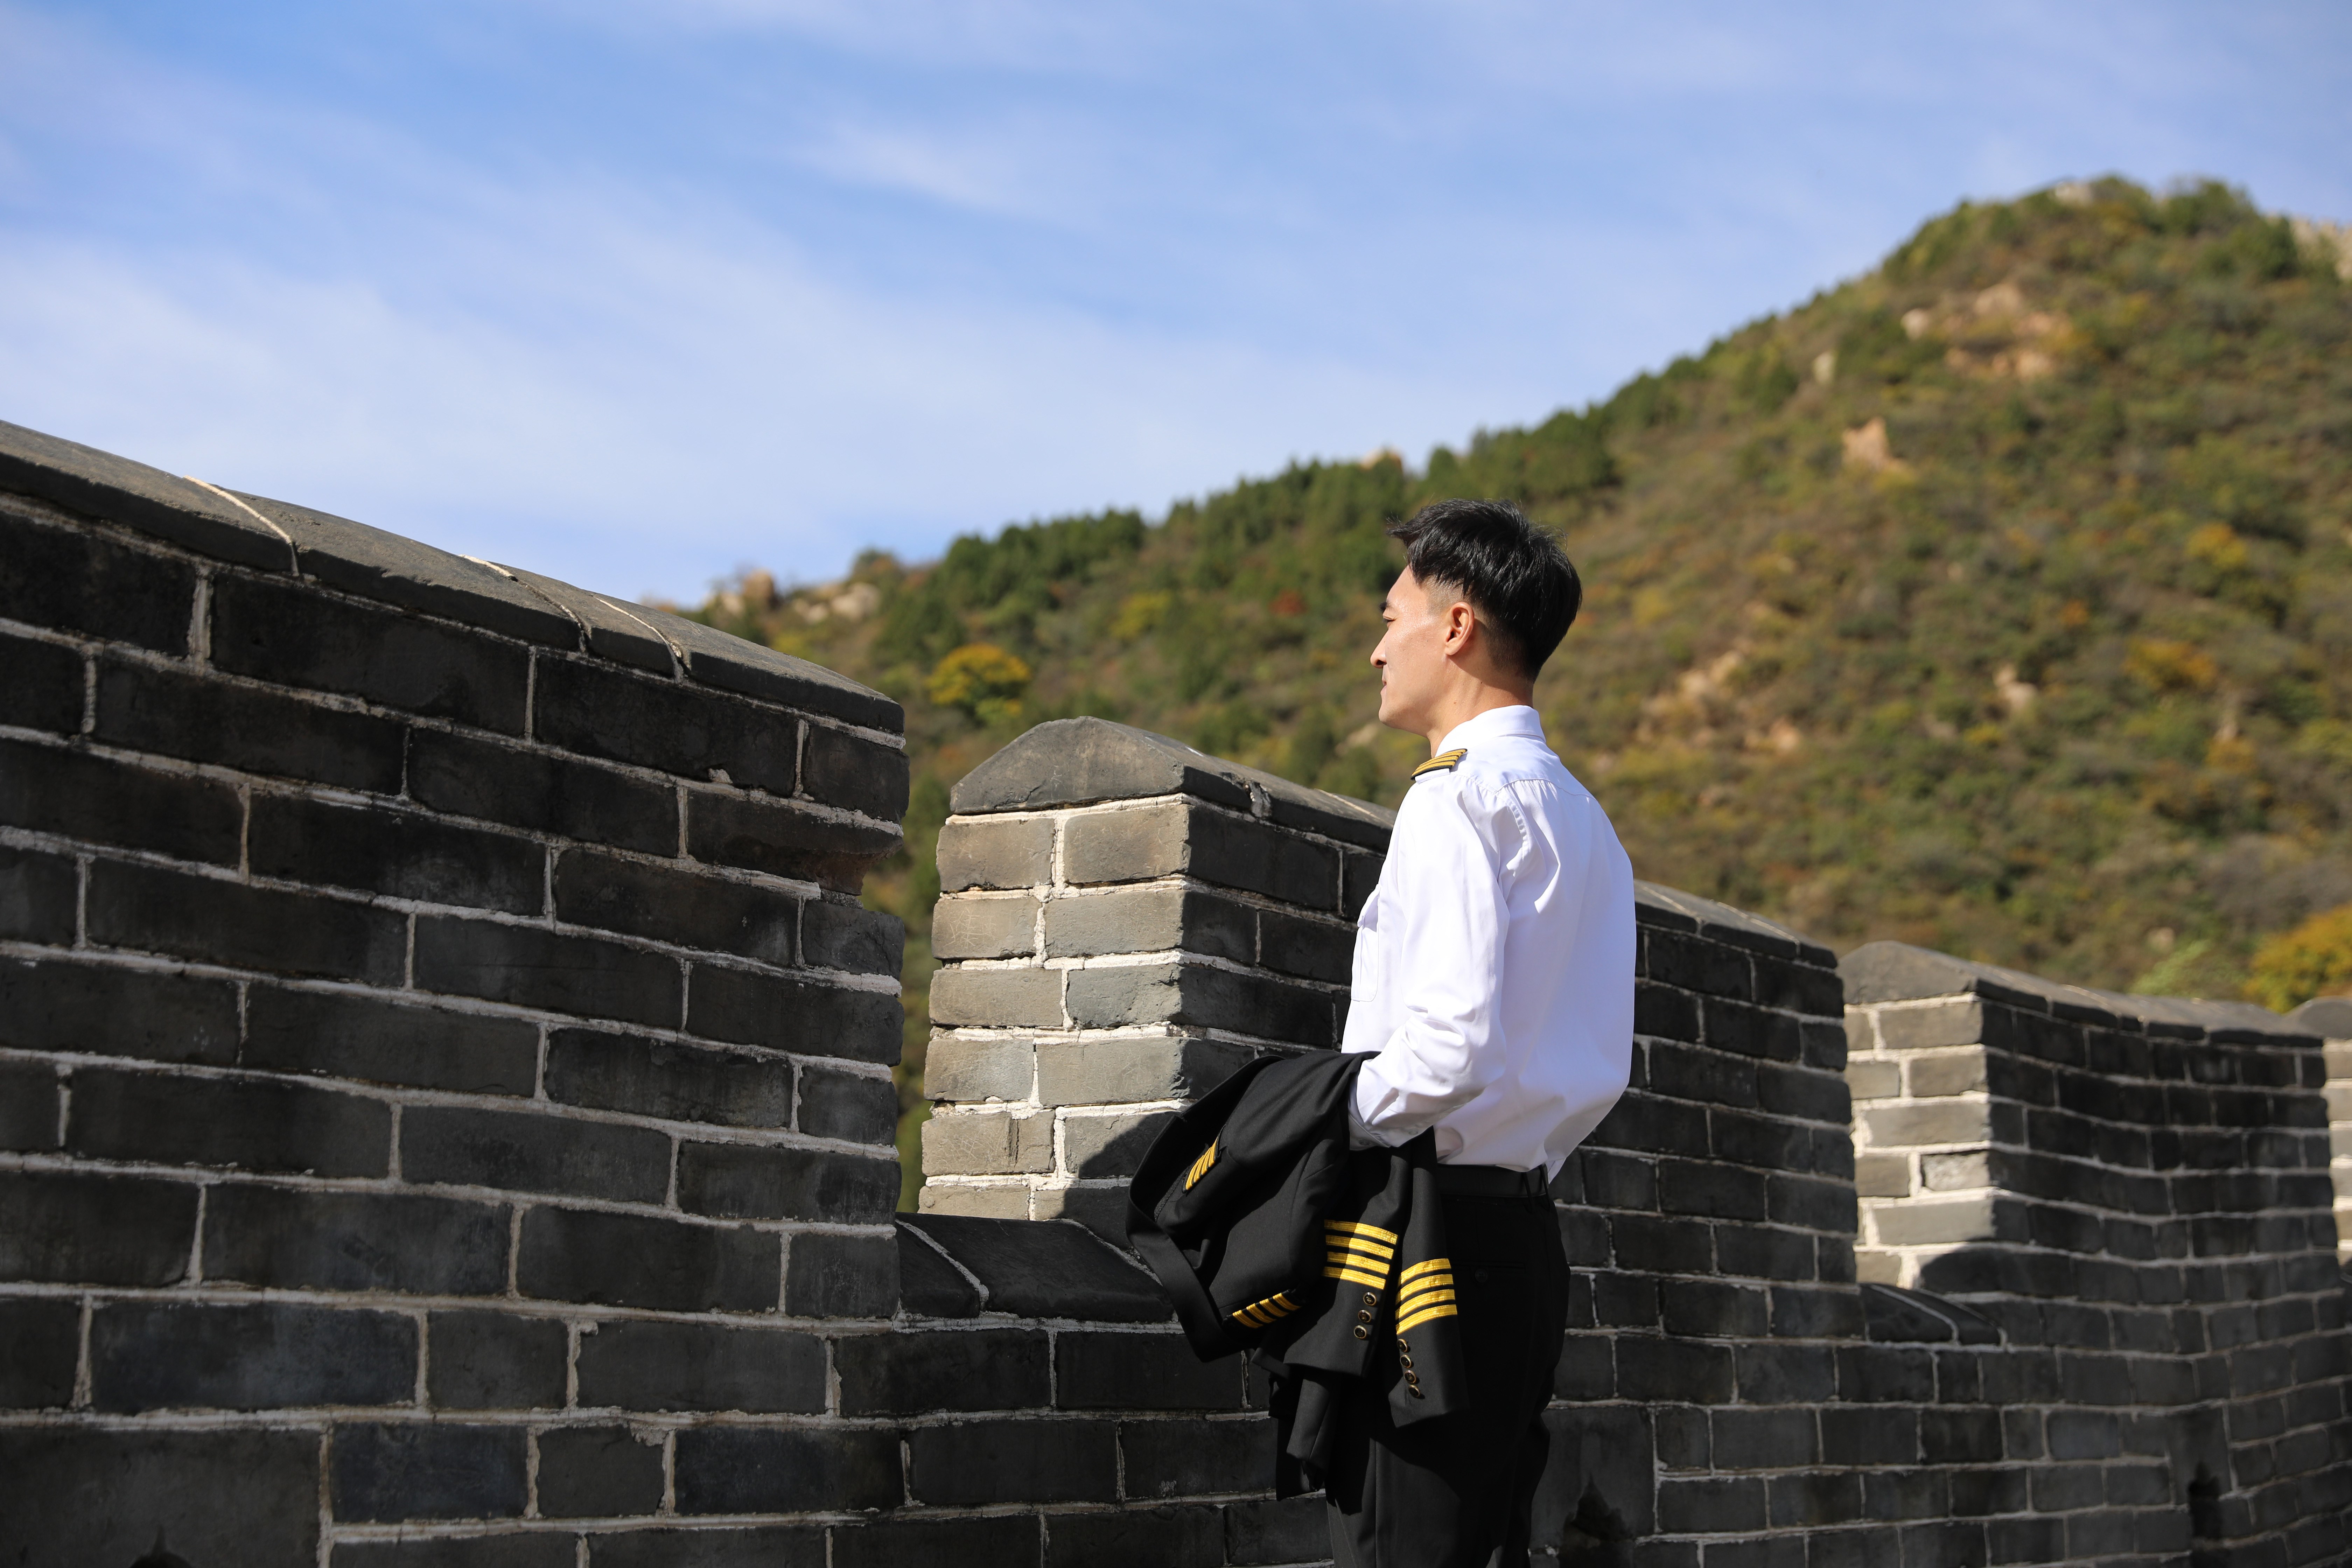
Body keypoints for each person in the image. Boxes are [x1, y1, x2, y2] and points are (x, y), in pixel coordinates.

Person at [1328, 497, 1636, 1567]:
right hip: (1526, 1238)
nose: (1377, 650)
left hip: (1431, 1241)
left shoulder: (1453, 800)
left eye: (1391, 618)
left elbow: (1448, 1048)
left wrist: (1329, 1122)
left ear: (1455, 626)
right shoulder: (1587, 822)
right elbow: (1598, 1066)